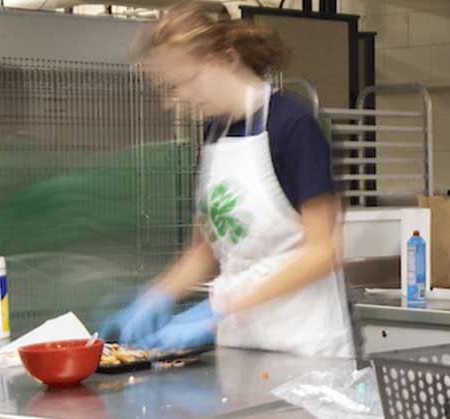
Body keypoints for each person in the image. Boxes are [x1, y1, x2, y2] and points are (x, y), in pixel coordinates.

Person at [98, 1, 350, 358]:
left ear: (227, 59)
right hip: (240, 347)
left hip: (303, 347)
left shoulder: (293, 127)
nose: (176, 101)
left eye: (183, 83)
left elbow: (323, 251)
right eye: (168, 89)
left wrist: (220, 308)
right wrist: (156, 296)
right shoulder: (214, 136)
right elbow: (204, 251)